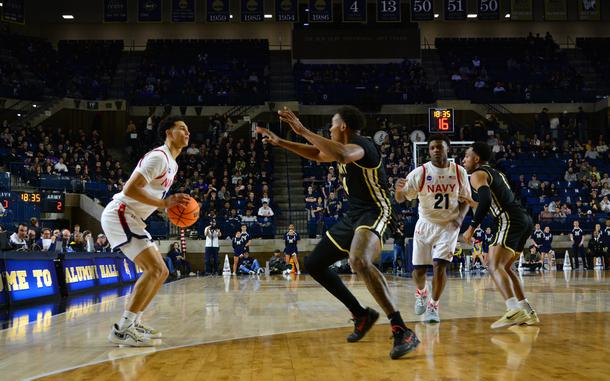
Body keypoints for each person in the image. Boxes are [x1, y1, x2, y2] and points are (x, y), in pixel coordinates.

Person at [257, 106, 419, 359]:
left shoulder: (362, 145)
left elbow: (342, 155)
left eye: (332, 124)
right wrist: (282, 142)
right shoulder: (339, 149)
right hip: (353, 215)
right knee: (315, 264)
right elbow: (317, 153)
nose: (329, 129)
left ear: (343, 126)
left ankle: (401, 329)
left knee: (358, 260)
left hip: (376, 210)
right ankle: (361, 314)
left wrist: (301, 129)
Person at [102, 115, 191, 347]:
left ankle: (134, 322)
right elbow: (130, 189)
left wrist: (164, 206)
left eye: (188, 130)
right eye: (182, 128)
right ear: (168, 133)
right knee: (154, 269)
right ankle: (122, 329)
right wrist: (164, 204)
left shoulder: (173, 163)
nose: (187, 133)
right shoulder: (159, 158)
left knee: (161, 272)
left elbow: (149, 194)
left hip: (134, 217)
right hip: (121, 213)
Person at [461, 142, 539, 329]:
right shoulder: (497, 173)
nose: (463, 160)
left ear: (476, 159)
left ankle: (512, 309)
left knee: (493, 264)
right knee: (507, 267)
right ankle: (528, 312)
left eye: (466, 156)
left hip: (509, 220)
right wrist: (473, 203)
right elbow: (491, 204)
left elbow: (487, 201)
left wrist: (471, 227)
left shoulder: (477, 174)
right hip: (523, 219)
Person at [395, 135, 470, 323]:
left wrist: (460, 218)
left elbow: (466, 200)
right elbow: (401, 199)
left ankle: (433, 306)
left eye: (439, 147)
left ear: (447, 150)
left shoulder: (459, 172)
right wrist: (397, 191)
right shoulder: (420, 172)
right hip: (425, 223)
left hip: (448, 226)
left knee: (440, 267)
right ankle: (421, 292)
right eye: (432, 148)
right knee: (418, 272)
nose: (436, 150)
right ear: (428, 151)